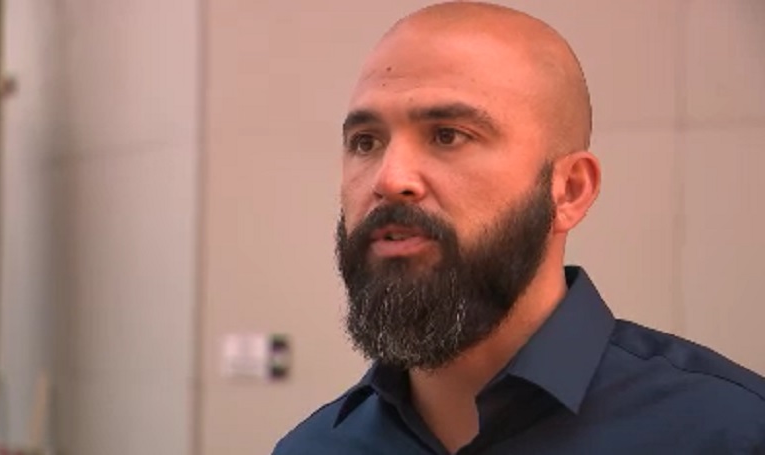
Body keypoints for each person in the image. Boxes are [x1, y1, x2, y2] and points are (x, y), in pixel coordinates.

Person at [272, 2, 765, 454]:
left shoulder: (729, 433)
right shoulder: (312, 448)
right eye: (365, 142)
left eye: (448, 136)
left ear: (570, 190)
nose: (389, 178)